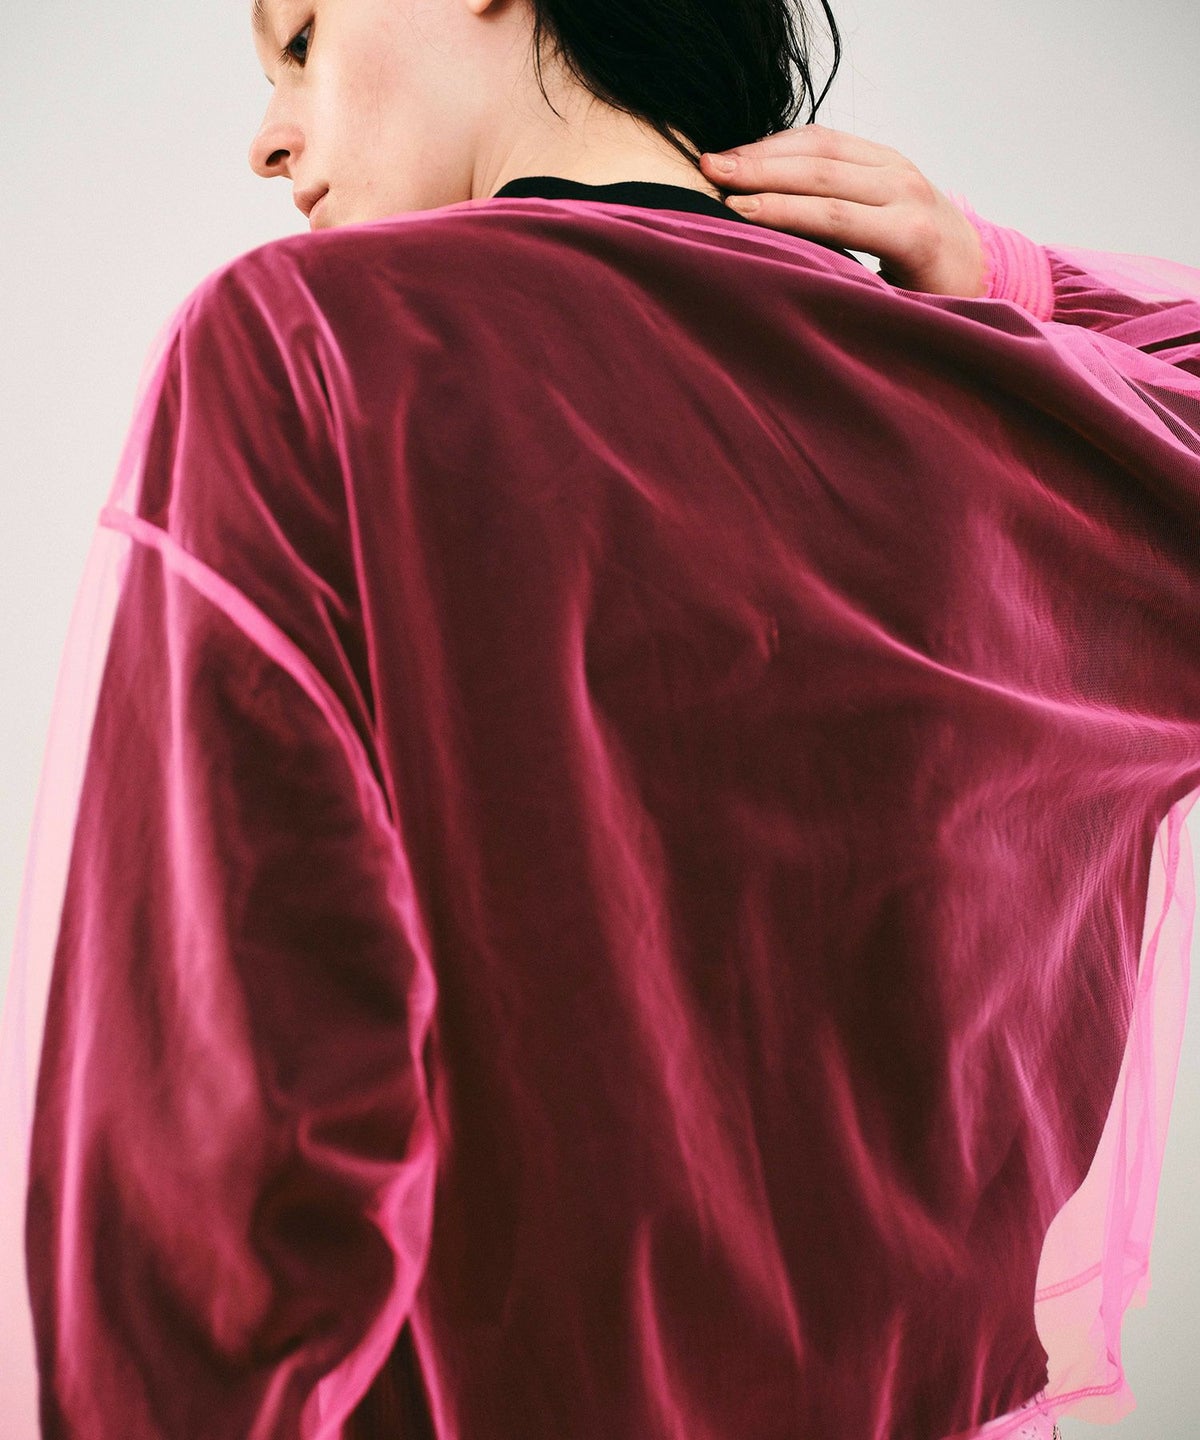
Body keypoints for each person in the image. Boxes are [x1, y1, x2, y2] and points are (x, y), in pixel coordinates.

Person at [1, 0, 1198, 1435]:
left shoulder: (309, 349)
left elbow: (207, 1140)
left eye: (303, 38)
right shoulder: (996, 417)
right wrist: (1014, 282)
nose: (268, 140)